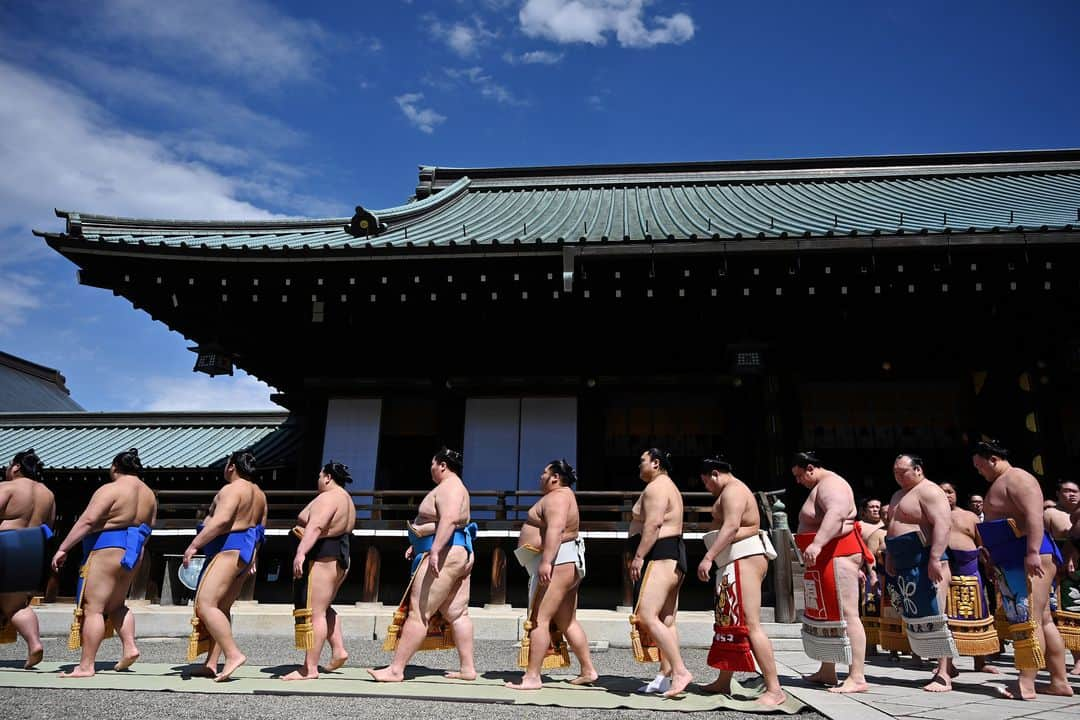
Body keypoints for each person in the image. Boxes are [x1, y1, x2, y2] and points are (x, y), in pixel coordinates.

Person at [974, 439, 1072, 700]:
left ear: (993, 459)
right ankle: (1059, 682)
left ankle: (1026, 683)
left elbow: (1034, 516)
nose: (979, 471)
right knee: (1043, 620)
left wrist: (1031, 552)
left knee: (1028, 619)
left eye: (980, 466)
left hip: (1030, 555)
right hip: (1014, 557)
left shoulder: (1018, 479)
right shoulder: (1004, 480)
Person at [371, 447, 477, 683]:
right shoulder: (456, 487)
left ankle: (396, 669)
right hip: (456, 551)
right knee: (457, 613)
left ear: (442, 465)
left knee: (419, 613)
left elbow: (449, 520)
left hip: (447, 552)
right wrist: (420, 544)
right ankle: (468, 669)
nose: (430, 468)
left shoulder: (449, 487)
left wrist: (436, 550)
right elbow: (442, 523)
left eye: (432, 463)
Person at [52, 448, 155, 678]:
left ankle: (86, 666)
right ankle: (130, 647)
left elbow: (88, 521)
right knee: (117, 605)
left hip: (106, 548)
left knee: (94, 608)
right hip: (134, 550)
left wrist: (63, 547)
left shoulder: (111, 489)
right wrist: (134, 550)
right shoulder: (149, 494)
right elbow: (149, 528)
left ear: (115, 467)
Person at [694, 455, 785, 706]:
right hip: (734, 558)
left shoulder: (734, 490)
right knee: (730, 620)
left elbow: (732, 526)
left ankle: (775, 689)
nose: (707, 487)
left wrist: (708, 557)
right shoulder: (730, 490)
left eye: (706, 482)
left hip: (744, 555)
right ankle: (724, 680)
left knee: (750, 623)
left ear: (715, 473)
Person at [506, 459, 597, 690]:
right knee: (567, 621)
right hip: (566, 560)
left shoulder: (557, 497)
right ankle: (588, 670)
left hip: (558, 561)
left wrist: (546, 561)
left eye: (544, 473)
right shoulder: (565, 496)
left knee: (539, 619)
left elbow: (556, 529)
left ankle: (533, 677)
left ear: (555, 477)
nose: (540, 477)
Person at [793, 451, 874, 694]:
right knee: (825, 614)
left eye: (799, 475)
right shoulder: (822, 485)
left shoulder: (833, 484)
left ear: (810, 468)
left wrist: (817, 543)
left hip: (837, 553)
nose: (798, 481)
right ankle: (827, 669)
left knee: (848, 613)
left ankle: (857, 676)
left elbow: (836, 513)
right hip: (823, 557)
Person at [182, 449, 267, 682]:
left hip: (228, 550)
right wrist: (254, 557)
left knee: (206, 604)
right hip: (244, 553)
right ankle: (211, 663)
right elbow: (260, 530)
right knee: (221, 607)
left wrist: (193, 545)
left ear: (231, 467)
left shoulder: (231, 489)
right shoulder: (259, 494)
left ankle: (233, 653)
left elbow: (221, 521)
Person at [884, 455, 957, 692]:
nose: (897, 476)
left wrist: (935, 558)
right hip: (904, 561)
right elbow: (891, 528)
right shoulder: (897, 494)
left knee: (936, 615)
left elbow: (943, 525)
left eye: (902, 471)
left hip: (927, 560)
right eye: (894, 472)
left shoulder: (930, 491)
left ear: (917, 469)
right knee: (918, 616)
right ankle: (941, 666)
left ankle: (944, 673)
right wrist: (890, 556)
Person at [627, 448, 692, 697]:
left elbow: (653, 524)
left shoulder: (656, 488)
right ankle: (665, 675)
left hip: (661, 554)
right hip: (671, 554)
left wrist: (639, 556)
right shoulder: (667, 486)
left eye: (642, 461)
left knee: (646, 615)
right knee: (666, 619)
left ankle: (680, 670)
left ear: (655, 463)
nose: (639, 466)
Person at [283, 461, 356, 681]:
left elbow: (315, 526)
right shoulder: (346, 499)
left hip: (325, 556)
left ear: (327, 477)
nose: (317, 480)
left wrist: (301, 552)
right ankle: (338, 649)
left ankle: (310, 668)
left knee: (316, 613)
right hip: (339, 556)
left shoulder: (329, 497)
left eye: (319, 475)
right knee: (324, 608)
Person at [0, 449, 56, 668]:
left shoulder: (8, 487)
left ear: (16, 467)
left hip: (7, 541)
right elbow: (49, 527)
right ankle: (34, 643)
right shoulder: (47, 494)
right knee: (17, 605)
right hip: (33, 546)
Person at [938, 481, 1000, 674]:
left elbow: (983, 545)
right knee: (945, 619)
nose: (946, 495)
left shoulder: (970, 516)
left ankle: (980, 661)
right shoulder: (932, 516)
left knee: (978, 616)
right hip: (944, 573)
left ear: (956, 494)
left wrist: (990, 565)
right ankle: (947, 664)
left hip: (970, 572)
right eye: (942, 492)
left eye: (950, 491)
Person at [1045, 480, 1080, 672]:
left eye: (1075, 491)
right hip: (1058, 569)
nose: (1072, 494)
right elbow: (1043, 542)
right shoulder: (1050, 514)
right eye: (1067, 491)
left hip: (1077, 569)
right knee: (1061, 614)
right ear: (1058, 493)